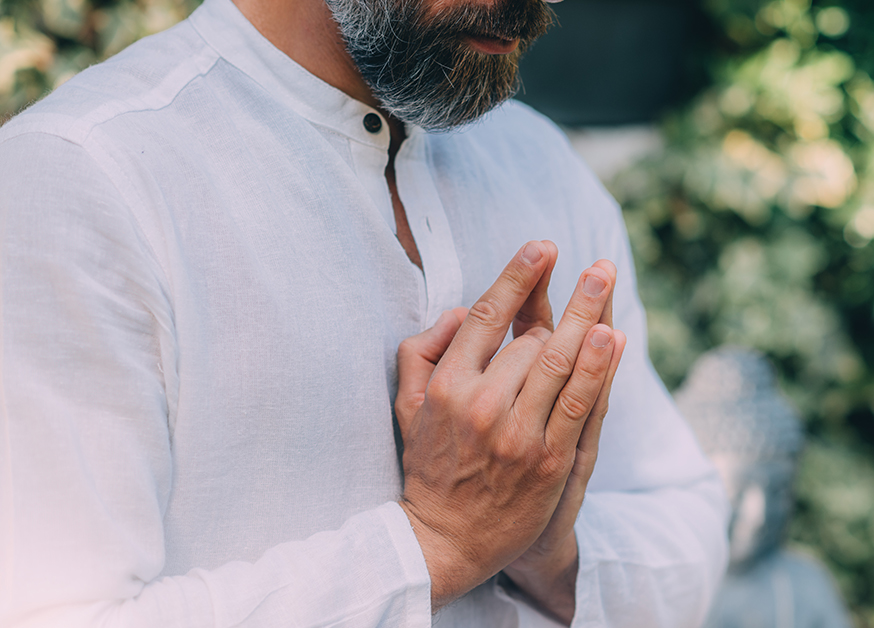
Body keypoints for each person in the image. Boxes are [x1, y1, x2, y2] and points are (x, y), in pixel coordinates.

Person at [0, 0, 728, 624]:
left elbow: (686, 531)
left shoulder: (541, 164)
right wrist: (437, 544)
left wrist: (549, 547)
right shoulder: (85, 178)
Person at [674, 348, 851, 628]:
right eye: (736, 495)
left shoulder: (806, 584)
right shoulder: (658, 579)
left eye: (778, 492)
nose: (759, 516)